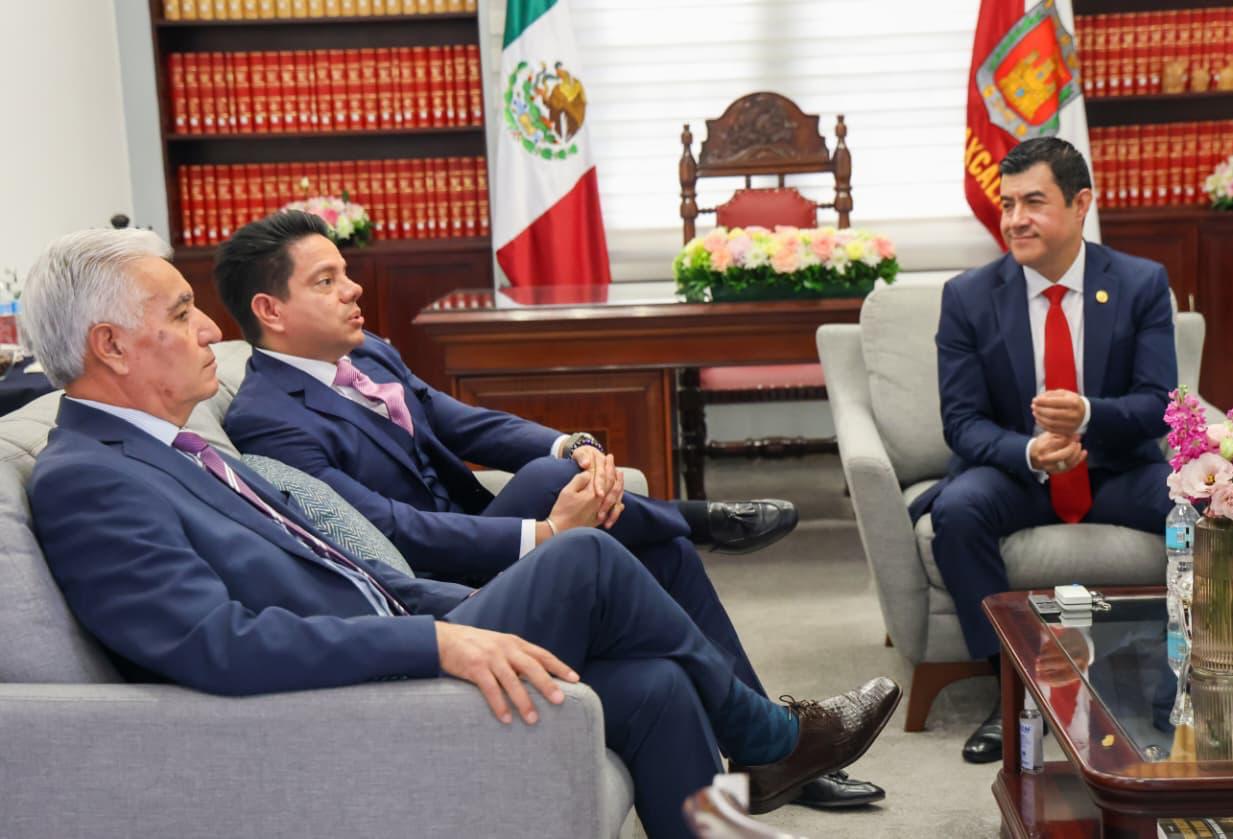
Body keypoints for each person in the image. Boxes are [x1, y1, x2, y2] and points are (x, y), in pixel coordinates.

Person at [22, 227, 901, 839]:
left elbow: (343, 564)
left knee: (656, 683)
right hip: (351, 696)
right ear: (112, 345)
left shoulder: (171, 444)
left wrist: (447, 608)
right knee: (586, 557)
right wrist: (438, 638)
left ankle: (729, 815)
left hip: (400, 626)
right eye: (181, 312)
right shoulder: (88, 478)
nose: (210, 329)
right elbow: (217, 643)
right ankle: (772, 739)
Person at [911, 137, 1176, 763]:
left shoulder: (1140, 283)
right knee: (957, 512)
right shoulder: (968, 296)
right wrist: (1031, 451)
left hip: (1114, 468)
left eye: (1033, 202)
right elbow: (962, 423)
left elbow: (1158, 404)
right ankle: (1012, 689)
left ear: (1081, 204)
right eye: (1008, 204)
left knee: (1203, 510)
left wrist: (1089, 416)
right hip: (1017, 473)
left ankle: (1177, 687)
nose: (1015, 219)